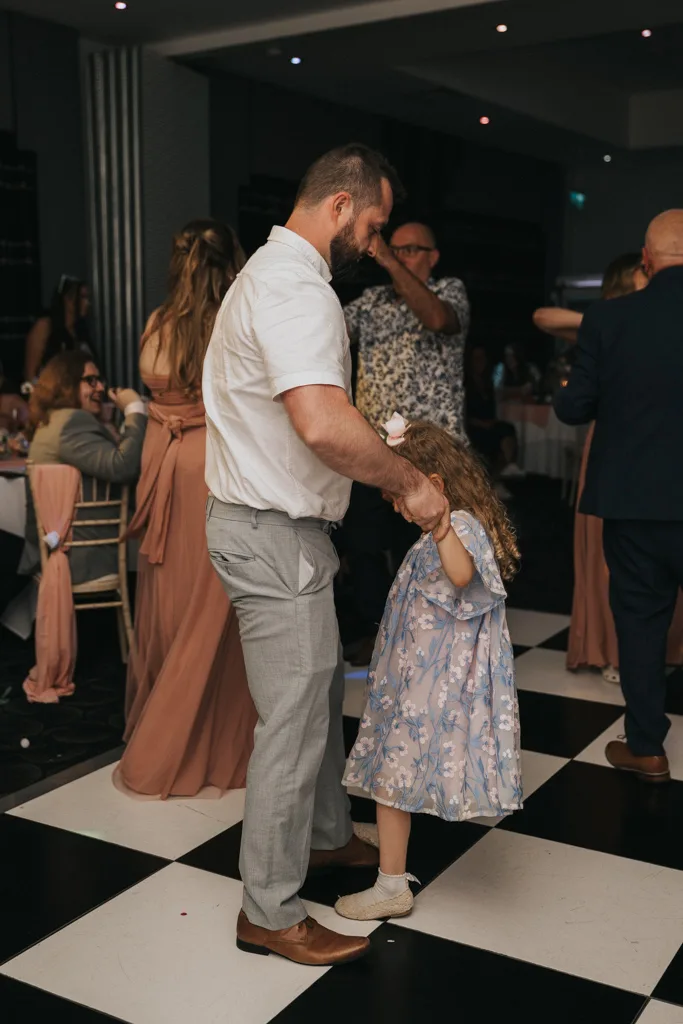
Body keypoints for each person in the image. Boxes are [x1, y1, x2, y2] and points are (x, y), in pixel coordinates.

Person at [203, 143, 448, 966]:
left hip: (274, 528)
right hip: (271, 533)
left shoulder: (271, 276)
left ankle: (326, 835)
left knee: (313, 709)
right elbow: (318, 421)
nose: (373, 242)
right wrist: (409, 483)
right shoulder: (294, 286)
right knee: (292, 726)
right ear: (340, 206)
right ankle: (268, 912)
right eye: (373, 225)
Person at [337, 416, 521, 921]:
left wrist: (439, 523)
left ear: (434, 485)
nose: (396, 507)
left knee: (391, 774)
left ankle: (391, 886)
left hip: (431, 684)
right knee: (391, 768)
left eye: (400, 497)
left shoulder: (457, 526)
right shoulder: (448, 529)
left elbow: (460, 575)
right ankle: (391, 840)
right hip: (417, 676)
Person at [116, 220, 257, 800]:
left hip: (161, 457)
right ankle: (205, 737)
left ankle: (162, 727)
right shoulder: (229, 322)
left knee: (168, 599)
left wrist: (141, 405)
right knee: (212, 604)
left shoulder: (157, 322)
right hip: (204, 462)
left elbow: (155, 391)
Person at [555, 210, 683, 783]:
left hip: (635, 502)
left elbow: (573, 407)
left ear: (647, 260)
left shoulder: (609, 317)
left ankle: (648, 747)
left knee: (641, 623)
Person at [536, 254, 683, 683]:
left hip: (645, 464)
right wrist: (607, 321)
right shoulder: (608, 322)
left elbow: (573, 404)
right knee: (617, 570)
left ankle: (649, 684)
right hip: (626, 460)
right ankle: (611, 649)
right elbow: (542, 317)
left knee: (641, 583)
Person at [343, 222, 470, 666]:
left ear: (433, 257)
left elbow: (436, 320)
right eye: (393, 249)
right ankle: (381, 634)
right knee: (364, 545)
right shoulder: (371, 301)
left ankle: (431, 641)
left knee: (427, 547)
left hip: (433, 455)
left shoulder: (449, 291)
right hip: (373, 452)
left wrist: (388, 259)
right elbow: (326, 331)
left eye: (410, 249)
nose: (397, 256)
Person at [23, 350, 146, 591]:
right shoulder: (71, 422)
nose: (100, 387)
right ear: (66, 383)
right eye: (91, 380)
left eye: (100, 380)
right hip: (84, 554)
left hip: (63, 546)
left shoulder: (55, 420)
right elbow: (123, 467)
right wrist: (135, 409)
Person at [465, 344, 521, 477]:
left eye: (482, 358)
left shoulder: (488, 383)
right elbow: (466, 414)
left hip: (489, 423)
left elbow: (491, 409)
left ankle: (509, 466)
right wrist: (481, 423)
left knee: (507, 428)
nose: (480, 362)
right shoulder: (467, 385)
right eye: (477, 358)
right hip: (474, 425)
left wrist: (491, 421)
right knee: (485, 437)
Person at [24, 277, 93, 383]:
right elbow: (30, 375)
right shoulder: (45, 326)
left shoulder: (80, 332)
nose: (87, 303)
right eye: (83, 297)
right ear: (68, 299)